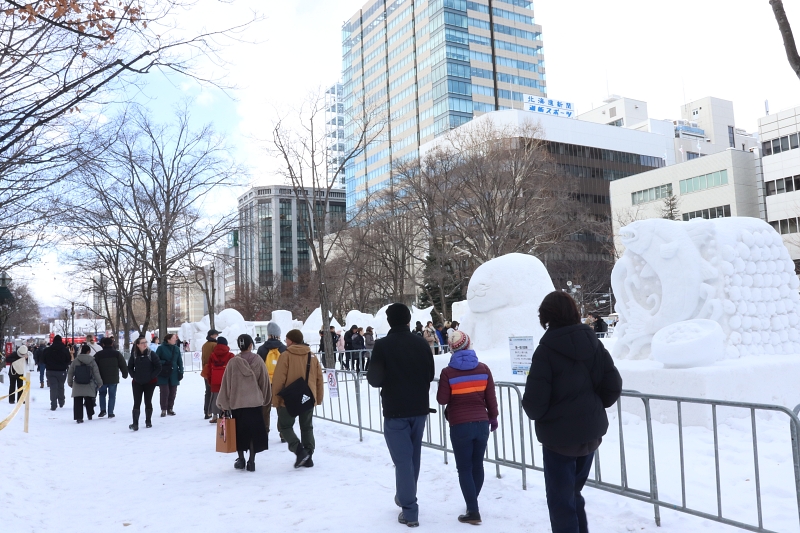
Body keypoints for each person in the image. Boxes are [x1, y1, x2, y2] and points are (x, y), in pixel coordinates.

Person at [522, 291, 622, 533]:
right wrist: (594, 407)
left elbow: (534, 404)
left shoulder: (545, 351)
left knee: (561, 502)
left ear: (545, 317)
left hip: (559, 440)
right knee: (573, 493)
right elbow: (613, 385)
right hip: (590, 435)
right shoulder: (594, 344)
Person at [367, 303, 435, 528]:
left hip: (395, 409)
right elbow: (430, 373)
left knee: (403, 460)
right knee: (412, 456)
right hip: (419, 407)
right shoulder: (421, 343)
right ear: (408, 320)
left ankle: (409, 507)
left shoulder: (383, 345)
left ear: (389, 321)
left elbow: (374, 379)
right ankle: (405, 495)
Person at [436, 331, 498, 525]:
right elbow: (491, 399)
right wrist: (493, 418)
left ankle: (472, 509)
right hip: (481, 423)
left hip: (460, 424)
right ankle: (473, 503)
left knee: (464, 468)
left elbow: (442, 399)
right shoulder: (484, 369)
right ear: (469, 345)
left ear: (452, 349)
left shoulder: (448, 372)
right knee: (477, 465)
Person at [216, 334, 272, 472]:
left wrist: (223, 403)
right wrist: (264, 398)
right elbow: (264, 382)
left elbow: (226, 384)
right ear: (250, 345)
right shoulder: (258, 360)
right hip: (254, 404)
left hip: (237, 403)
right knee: (253, 433)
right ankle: (251, 461)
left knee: (239, 433)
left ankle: (240, 460)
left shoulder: (233, 362)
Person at [272, 329, 324, 468]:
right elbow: (319, 378)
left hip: (288, 399)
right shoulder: (312, 356)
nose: (285, 342)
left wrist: (276, 399)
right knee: (307, 427)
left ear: (292, 340)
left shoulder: (286, 355)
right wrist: (317, 397)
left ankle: (299, 450)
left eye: (287, 339)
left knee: (285, 426)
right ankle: (309, 456)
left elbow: (278, 379)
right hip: (308, 397)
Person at [256, 322, 286, 440]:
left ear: (268, 334)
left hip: (265, 383)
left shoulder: (262, 349)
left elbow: (258, 366)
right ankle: (283, 433)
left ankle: (264, 431)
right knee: (281, 407)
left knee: (265, 408)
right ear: (278, 334)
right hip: (281, 383)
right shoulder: (284, 348)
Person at [127, 336, 162, 431]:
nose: (144, 344)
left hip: (150, 382)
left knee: (148, 401)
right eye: (142, 343)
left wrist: (152, 376)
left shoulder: (151, 354)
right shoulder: (134, 355)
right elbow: (129, 367)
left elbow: (158, 367)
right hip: (137, 382)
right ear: (137, 345)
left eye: (145, 342)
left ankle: (148, 421)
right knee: (136, 402)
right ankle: (135, 423)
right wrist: (134, 375)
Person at [67, 344, 103, 423]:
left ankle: (79, 417)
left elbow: (70, 372)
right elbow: (96, 373)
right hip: (89, 382)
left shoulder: (76, 360)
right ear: (89, 351)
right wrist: (99, 382)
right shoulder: (92, 361)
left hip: (77, 383)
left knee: (77, 400)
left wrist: (70, 382)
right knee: (89, 399)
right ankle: (90, 414)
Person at [95, 337, 129, 418]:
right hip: (113, 378)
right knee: (112, 395)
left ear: (103, 344)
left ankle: (103, 410)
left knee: (102, 394)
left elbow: (94, 366)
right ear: (111, 344)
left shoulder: (98, 354)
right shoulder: (117, 354)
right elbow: (123, 365)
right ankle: (110, 412)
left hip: (102, 378)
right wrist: (125, 374)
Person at [206, 336, 234, 423]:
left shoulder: (212, 355)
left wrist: (210, 380)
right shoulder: (230, 355)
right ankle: (226, 414)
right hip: (226, 379)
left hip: (215, 379)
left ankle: (214, 415)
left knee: (215, 397)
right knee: (226, 396)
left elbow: (209, 368)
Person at [156, 333, 183, 417]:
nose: (175, 339)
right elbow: (156, 360)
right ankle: (163, 409)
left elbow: (180, 361)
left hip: (174, 373)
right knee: (164, 391)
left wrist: (181, 372)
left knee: (173, 392)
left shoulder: (176, 349)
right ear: (168, 339)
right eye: (173, 338)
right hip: (163, 373)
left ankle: (170, 408)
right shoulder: (161, 348)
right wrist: (164, 362)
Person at [43, 335, 71, 410]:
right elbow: (68, 360)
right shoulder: (65, 350)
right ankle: (61, 401)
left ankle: (53, 404)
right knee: (61, 386)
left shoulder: (48, 350)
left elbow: (43, 359)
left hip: (50, 370)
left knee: (53, 387)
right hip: (61, 371)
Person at [201, 329, 220, 420]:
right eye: (216, 334)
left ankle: (207, 411)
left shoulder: (204, 345)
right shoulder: (215, 345)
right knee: (215, 391)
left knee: (208, 391)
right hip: (214, 370)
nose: (217, 336)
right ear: (212, 335)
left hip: (206, 369)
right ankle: (213, 411)